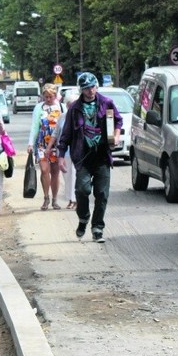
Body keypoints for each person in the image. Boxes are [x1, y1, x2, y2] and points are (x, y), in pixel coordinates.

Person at [57, 72, 122, 243]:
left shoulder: (106, 103)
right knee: (82, 190)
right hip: (83, 157)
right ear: (81, 90)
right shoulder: (74, 108)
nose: (90, 91)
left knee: (102, 193)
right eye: (86, 88)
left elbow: (118, 121)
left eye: (92, 87)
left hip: (102, 156)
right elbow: (66, 134)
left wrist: (116, 136)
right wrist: (61, 156)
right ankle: (83, 218)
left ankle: (97, 228)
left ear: (97, 86)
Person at [28, 83, 64, 210]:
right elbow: (34, 126)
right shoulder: (39, 108)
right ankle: (46, 197)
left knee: (55, 172)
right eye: (46, 97)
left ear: (55, 96)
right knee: (44, 170)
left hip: (57, 144)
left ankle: (54, 199)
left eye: (51, 97)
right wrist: (30, 143)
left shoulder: (61, 108)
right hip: (42, 144)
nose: (48, 99)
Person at [47, 89, 80, 209]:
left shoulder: (81, 117)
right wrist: (49, 147)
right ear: (66, 105)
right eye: (69, 104)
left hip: (77, 150)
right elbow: (55, 134)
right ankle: (71, 199)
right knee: (67, 176)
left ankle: (75, 199)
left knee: (75, 174)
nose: (71, 106)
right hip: (64, 151)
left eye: (73, 104)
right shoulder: (62, 117)